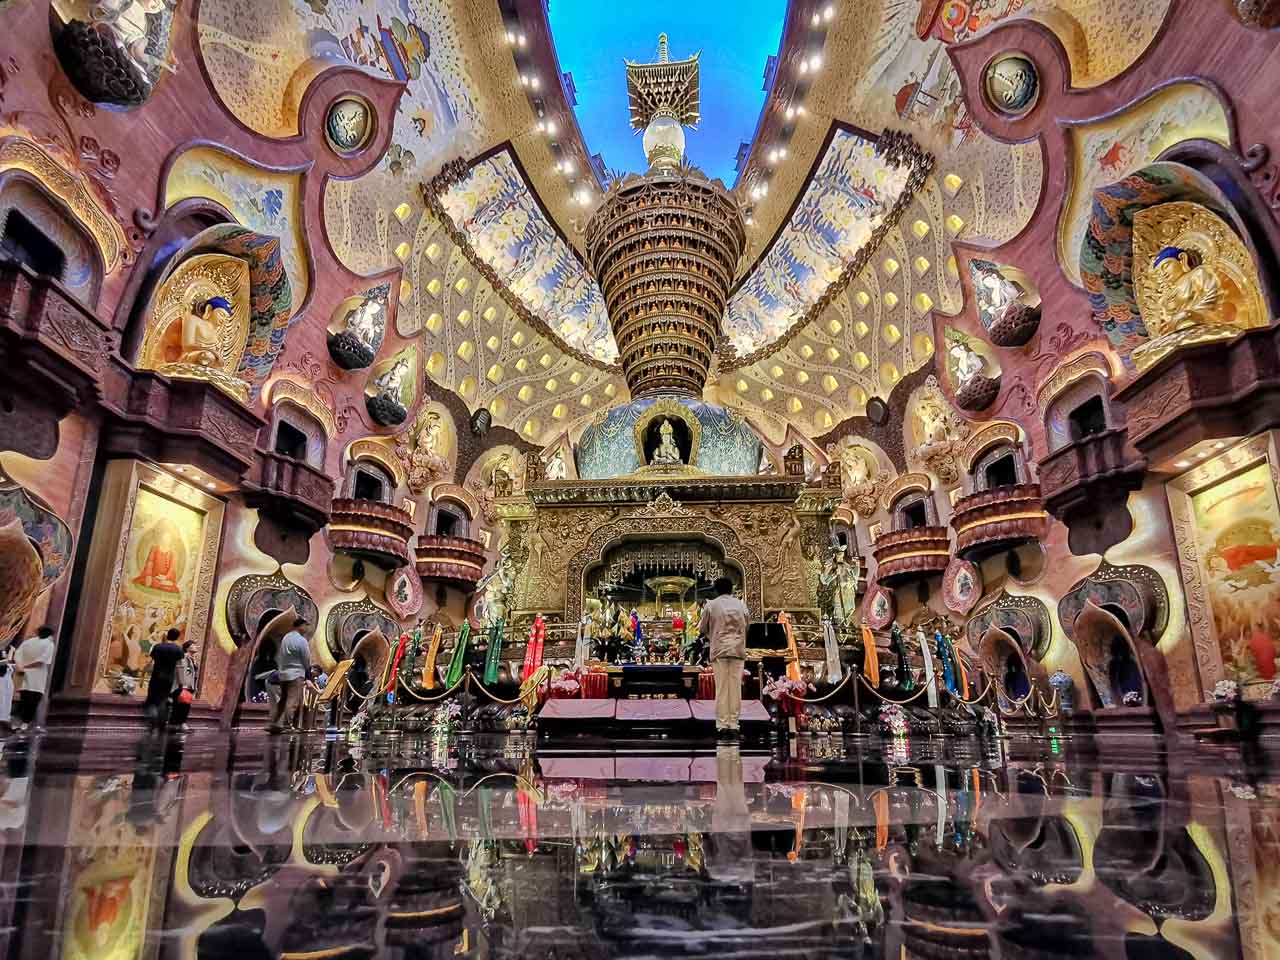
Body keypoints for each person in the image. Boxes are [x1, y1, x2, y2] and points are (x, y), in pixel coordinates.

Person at [699, 578, 750, 741]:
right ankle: (734, 725)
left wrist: (713, 636)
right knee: (735, 689)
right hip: (737, 650)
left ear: (716, 590)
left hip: (719, 650)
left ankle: (722, 726)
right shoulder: (741, 605)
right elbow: (746, 625)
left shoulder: (711, 605)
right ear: (731, 589)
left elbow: (702, 628)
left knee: (721, 689)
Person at [269, 618, 312, 734]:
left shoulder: (286, 637)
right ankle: (287, 726)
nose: (307, 628)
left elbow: (281, 655)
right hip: (296, 674)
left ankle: (274, 723)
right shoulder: (301, 640)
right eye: (306, 625)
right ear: (300, 626)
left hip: (283, 674)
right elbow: (306, 660)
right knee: (292, 701)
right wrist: (309, 676)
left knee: (283, 700)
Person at [13, 626, 56, 733]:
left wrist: (20, 666)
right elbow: (42, 661)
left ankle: (16, 722)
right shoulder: (49, 644)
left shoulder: (27, 642)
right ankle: (25, 723)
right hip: (37, 677)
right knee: (33, 700)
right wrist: (26, 665)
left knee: (22, 698)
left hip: (21, 674)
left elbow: (17, 655)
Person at [145, 628, 183, 729]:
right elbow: (179, 667)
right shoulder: (178, 649)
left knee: (153, 698)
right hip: (169, 678)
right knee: (163, 698)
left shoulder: (158, 647)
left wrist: (144, 673)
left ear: (167, 635)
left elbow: (151, 662)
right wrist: (181, 682)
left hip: (156, 676)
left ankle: (152, 719)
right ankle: (161, 721)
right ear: (177, 637)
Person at [169, 640, 198, 730]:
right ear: (187, 648)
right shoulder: (183, 657)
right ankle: (176, 724)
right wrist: (183, 685)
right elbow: (181, 670)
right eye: (193, 645)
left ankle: (180, 724)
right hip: (181, 686)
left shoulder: (191, 658)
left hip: (188, 686)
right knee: (180, 706)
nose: (196, 647)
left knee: (185, 706)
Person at [0, 644, 14, 734]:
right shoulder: (3, 663)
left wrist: (11, 651)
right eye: (3, 654)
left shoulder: (7, 665)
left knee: (6, 703)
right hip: (1, 684)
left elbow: (7, 661)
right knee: (2, 702)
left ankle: (4, 721)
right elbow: (5, 661)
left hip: (8, 686)